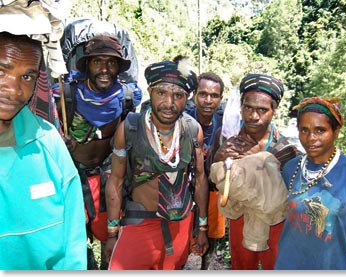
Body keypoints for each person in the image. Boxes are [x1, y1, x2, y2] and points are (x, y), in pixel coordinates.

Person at [104, 56, 209, 270]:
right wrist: (112, 232)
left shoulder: (192, 131)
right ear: (150, 91)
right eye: (162, 93)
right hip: (139, 221)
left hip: (179, 222)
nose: (169, 103)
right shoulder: (130, 128)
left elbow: (199, 179)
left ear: (187, 98)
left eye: (178, 95)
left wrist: (202, 227)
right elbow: (115, 180)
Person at [53, 34, 142, 269]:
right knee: (72, 237)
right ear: (87, 65)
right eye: (97, 62)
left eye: (111, 62)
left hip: (108, 178)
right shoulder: (66, 95)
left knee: (109, 234)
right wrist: (60, 140)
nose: (104, 69)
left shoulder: (127, 98)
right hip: (72, 176)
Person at [0, 31, 87, 269]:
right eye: (1, 72)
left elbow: (73, 241)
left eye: (27, 76)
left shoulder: (48, 142)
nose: (15, 89)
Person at [210, 73, 299, 269]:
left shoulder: (285, 150)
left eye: (262, 110)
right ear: (240, 106)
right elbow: (211, 180)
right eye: (248, 107)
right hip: (238, 219)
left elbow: (294, 195)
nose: (253, 116)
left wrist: (259, 159)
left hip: (275, 224)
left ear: (274, 111)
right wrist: (218, 159)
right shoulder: (226, 137)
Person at [274, 97, 346, 270]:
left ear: (335, 131)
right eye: (304, 130)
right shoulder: (291, 168)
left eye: (320, 130)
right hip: (288, 265)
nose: (311, 138)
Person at [185, 72, 226, 270]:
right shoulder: (183, 120)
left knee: (209, 240)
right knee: (180, 240)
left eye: (214, 95)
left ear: (221, 98)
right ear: (194, 95)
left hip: (212, 190)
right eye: (203, 94)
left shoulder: (226, 125)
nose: (208, 100)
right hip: (182, 188)